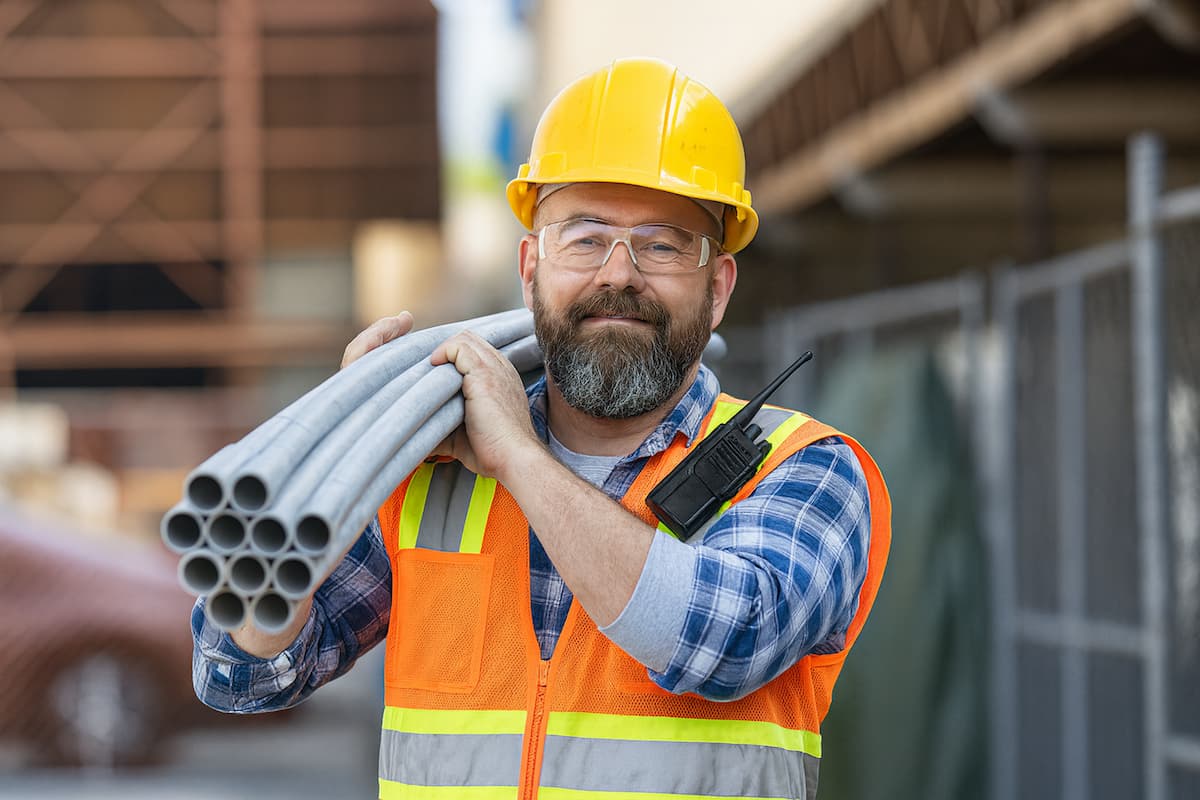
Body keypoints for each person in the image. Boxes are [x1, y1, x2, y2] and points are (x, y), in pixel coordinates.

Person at [193, 57, 890, 800]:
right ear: (531, 267)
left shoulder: (804, 470)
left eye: (662, 244)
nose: (618, 274)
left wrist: (519, 459)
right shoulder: (431, 470)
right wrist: (332, 469)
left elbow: (723, 642)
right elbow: (241, 676)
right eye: (584, 239)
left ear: (717, 289)